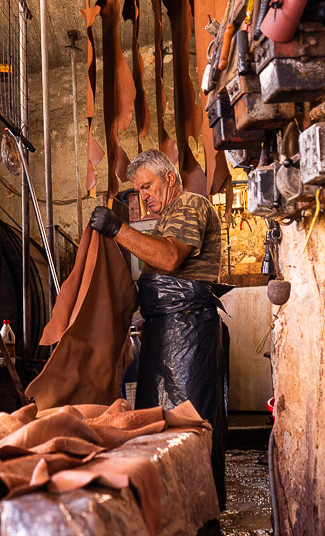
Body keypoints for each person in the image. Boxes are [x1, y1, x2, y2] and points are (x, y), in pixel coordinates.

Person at [89, 148, 228, 508]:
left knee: (187, 426)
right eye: (138, 192)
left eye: (148, 186)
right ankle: (165, 507)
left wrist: (118, 229)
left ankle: (194, 509)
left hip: (188, 332)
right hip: (166, 329)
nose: (144, 197)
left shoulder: (190, 204)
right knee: (157, 424)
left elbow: (168, 258)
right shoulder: (167, 218)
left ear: (170, 178)